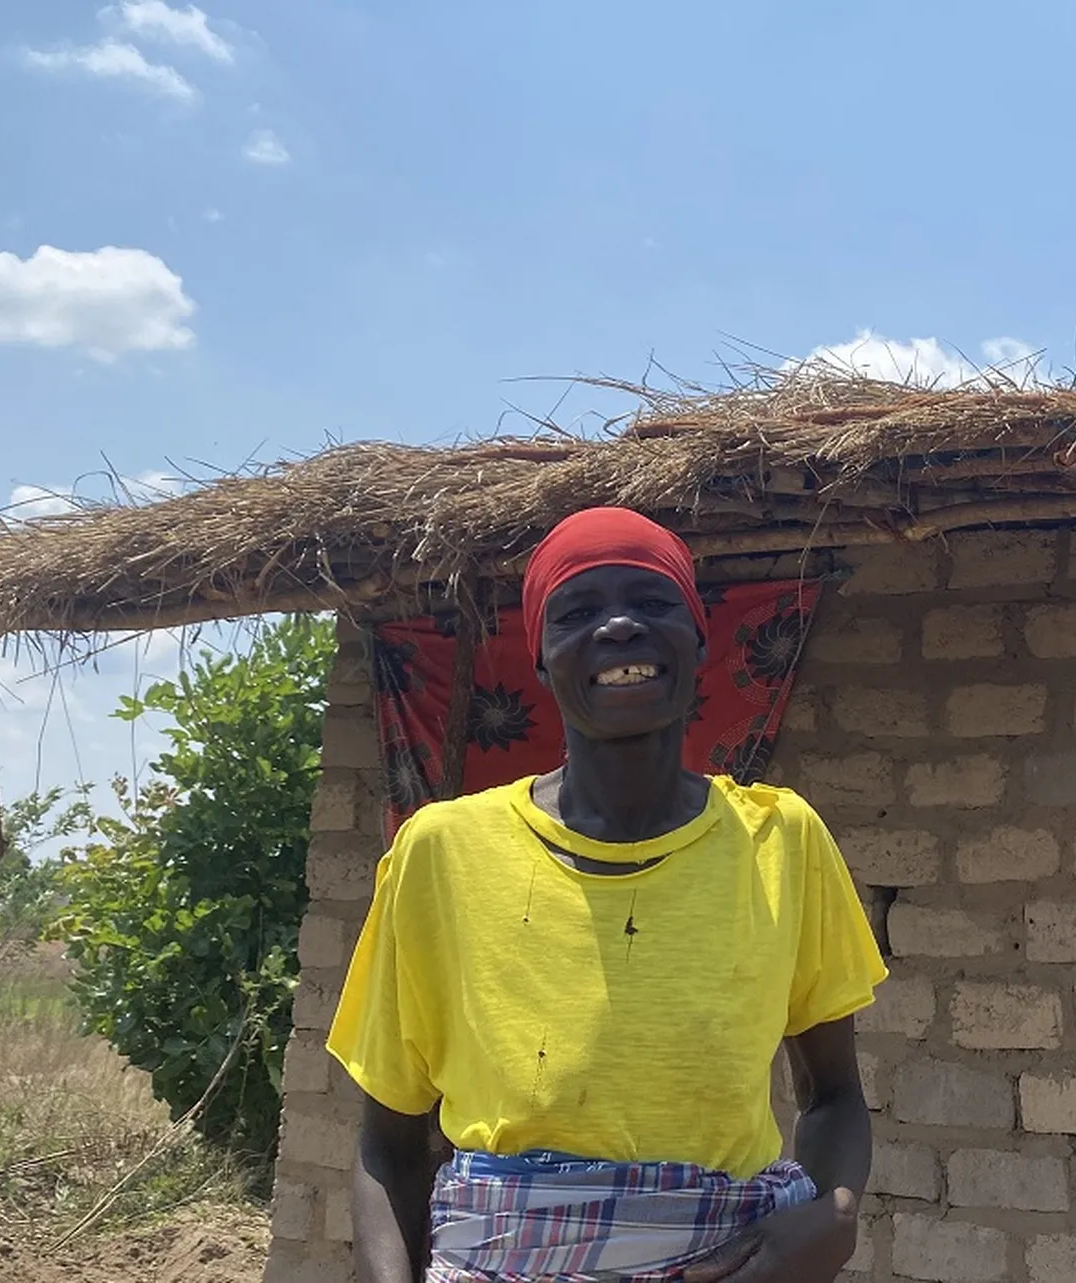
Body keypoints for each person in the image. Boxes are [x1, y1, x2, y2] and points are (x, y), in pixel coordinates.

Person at [328, 507, 887, 1283]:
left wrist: (834, 1218)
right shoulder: (442, 852)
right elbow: (388, 1145)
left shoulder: (781, 842)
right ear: (541, 656)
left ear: (697, 639)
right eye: (579, 612)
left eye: (653, 603)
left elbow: (832, 1095)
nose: (620, 626)